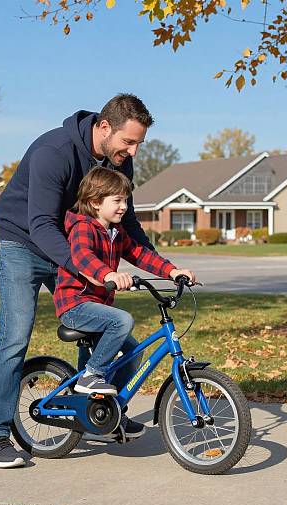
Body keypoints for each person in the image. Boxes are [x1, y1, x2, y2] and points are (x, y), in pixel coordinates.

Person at [0, 94, 157, 469]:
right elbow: (41, 222)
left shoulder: (118, 162)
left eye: (139, 143)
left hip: (73, 250)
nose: (134, 151)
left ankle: (95, 412)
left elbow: (128, 226)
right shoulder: (53, 151)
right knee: (14, 335)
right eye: (128, 141)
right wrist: (89, 268)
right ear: (104, 127)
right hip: (21, 243)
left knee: (100, 329)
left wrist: (164, 266)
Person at [54, 167, 196, 433]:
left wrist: (172, 271)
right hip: (75, 304)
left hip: (97, 306)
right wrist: (108, 273)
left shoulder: (116, 233)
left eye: (126, 200)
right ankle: (91, 375)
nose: (124, 207)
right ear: (96, 202)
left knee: (133, 352)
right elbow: (82, 257)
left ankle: (109, 413)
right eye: (117, 201)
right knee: (123, 320)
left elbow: (141, 255)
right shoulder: (83, 227)